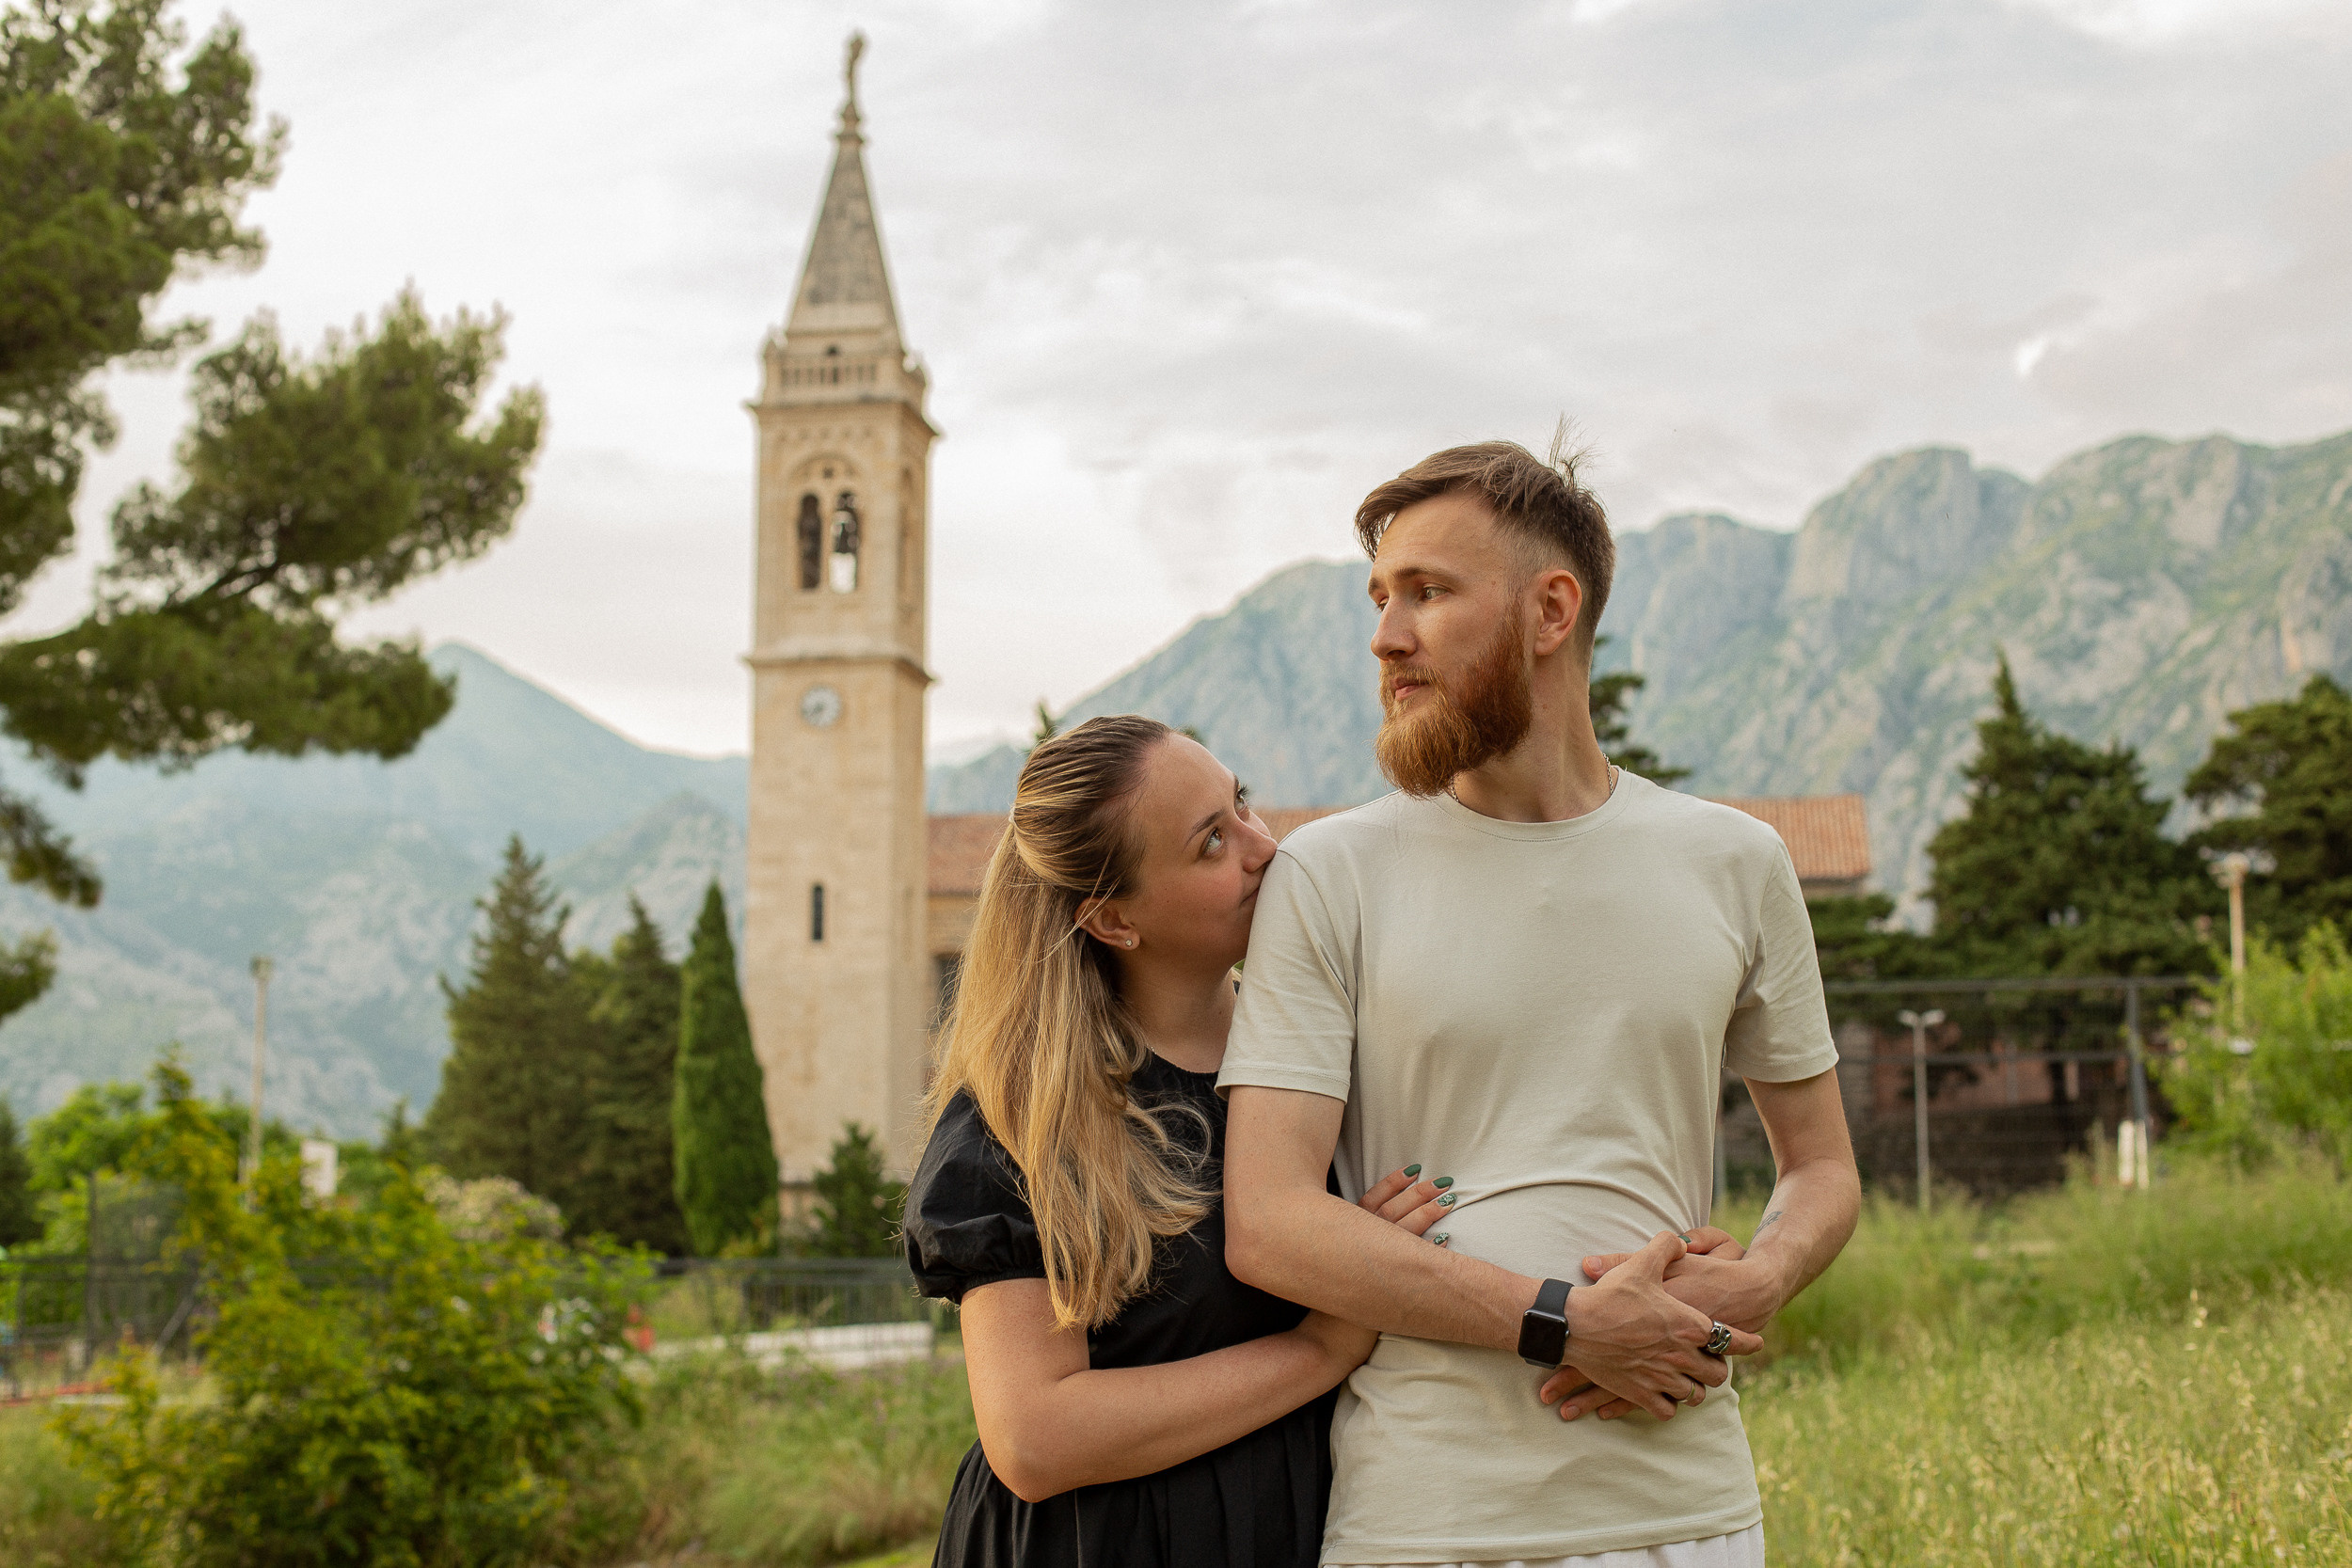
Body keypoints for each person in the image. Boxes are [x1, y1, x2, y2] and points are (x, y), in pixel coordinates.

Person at [1220, 438, 1863, 1568]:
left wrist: (1762, 1274)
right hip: (1427, 1519)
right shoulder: (1330, 873)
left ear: (1548, 609)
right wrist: (1562, 1317)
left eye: (1427, 592)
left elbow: (1822, 1167)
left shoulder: (1736, 860)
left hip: (1692, 1510)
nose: (1385, 635)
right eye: (1378, 598)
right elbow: (1269, 1222)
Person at [903, 714, 1452, 1568]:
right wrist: (1318, 1347)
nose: (1264, 847)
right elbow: (1033, 1437)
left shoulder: (1329, 1049)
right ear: (1114, 920)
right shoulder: (1020, 1122)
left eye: (1242, 805)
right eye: (1209, 843)